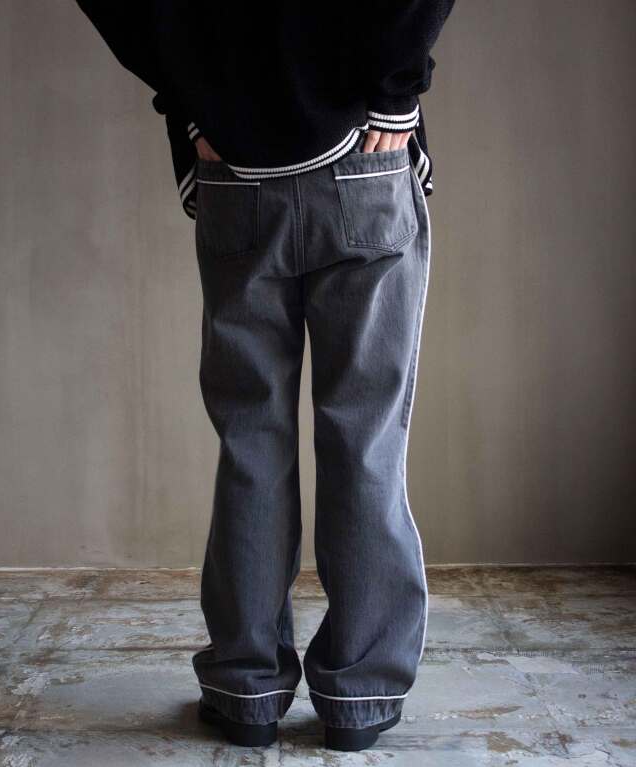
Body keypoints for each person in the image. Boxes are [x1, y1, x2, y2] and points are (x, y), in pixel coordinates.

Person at [74, 0, 455, 752]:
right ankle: (360, 697)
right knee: (366, 439)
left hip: (237, 168)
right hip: (362, 155)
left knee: (251, 437)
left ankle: (245, 689)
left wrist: (191, 101)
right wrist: (393, 90)